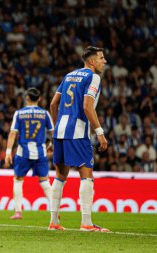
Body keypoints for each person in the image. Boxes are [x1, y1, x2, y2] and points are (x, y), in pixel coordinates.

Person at [48, 46, 109, 232]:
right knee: (87, 175)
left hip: (60, 131)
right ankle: (87, 223)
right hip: (78, 132)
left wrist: (57, 127)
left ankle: (53, 222)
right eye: (101, 58)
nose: (104, 61)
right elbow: (87, 106)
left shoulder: (68, 76)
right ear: (91, 62)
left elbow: (53, 104)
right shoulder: (93, 77)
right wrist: (99, 131)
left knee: (60, 176)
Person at [4, 88, 54, 220]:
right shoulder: (45, 114)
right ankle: (54, 211)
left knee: (18, 179)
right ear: (39, 99)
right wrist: (51, 146)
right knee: (44, 181)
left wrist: (8, 152)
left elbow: (13, 133)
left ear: (26, 98)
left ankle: (18, 212)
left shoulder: (19, 113)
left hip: (23, 152)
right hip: (40, 151)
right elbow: (53, 133)